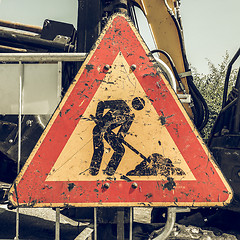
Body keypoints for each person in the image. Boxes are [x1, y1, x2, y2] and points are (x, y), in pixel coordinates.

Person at [89, 97, 145, 176]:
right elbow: (101, 104)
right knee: (99, 149)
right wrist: (99, 118)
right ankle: (93, 171)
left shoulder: (130, 116)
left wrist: (119, 138)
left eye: (139, 106)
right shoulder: (120, 103)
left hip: (108, 132)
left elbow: (122, 132)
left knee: (120, 150)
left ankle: (109, 171)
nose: (136, 106)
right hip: (99, 128)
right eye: (136, 104)